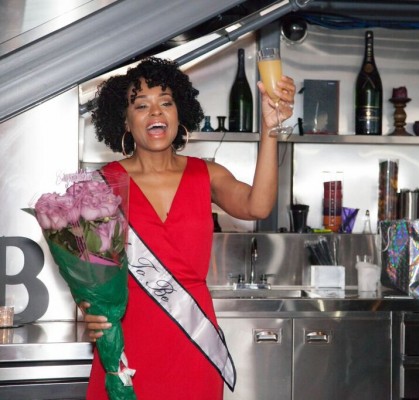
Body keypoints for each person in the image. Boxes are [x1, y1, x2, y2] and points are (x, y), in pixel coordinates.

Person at [81, 56, 296, 399]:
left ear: (179, 113)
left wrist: (270, 130)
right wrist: (88, 312)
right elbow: (89, 275)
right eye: (141, 105)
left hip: (193, 341)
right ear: (125, 121)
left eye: (166, 102)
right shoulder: (101, 186)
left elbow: (257, 206)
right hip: (127, 342)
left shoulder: (206, 174)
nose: (156, 112)